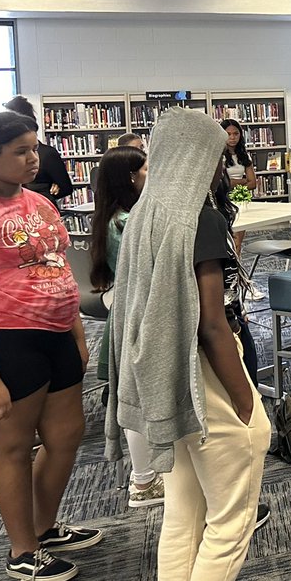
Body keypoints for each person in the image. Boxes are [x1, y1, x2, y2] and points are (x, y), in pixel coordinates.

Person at [106, 106, 271, 581]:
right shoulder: (200, 219)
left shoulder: (143, 214)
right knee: (230, 523)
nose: (224, 167)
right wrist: (246, 403)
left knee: (183, 515)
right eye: (217, 157)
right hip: (207, 381)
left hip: (164, 376)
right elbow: (213, 326)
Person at [0, 111, 100, 581]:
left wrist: (76, 331)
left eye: (35, 147)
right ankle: (21, 549)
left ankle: (45, 528)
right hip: (6, 343)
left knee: (67, 435)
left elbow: (59, 269)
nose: (35, 158)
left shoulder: (39, 203)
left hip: (54, 334)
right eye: (22, 151)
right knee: (11, 448)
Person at [88, 144, 164, 508]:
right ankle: (144, 481)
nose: (153, 175)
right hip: (140, 316)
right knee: (138, 398)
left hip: (126, 311)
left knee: (134, 395)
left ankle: (146, 477)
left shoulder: (112, 217)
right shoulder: (128, 223)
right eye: (148, 170)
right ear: (132, 177)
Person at [3, 95, 73, 207]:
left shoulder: (47, 154)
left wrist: (46, 195)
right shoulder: (4, 156)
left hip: (41, 212)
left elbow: (66, 187)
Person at [220, 119, 256, 257]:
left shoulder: (243, 155)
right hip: (224, 201)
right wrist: (242, 180)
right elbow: (222, 184)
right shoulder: (219, 155)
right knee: (226, 242)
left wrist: (233, 183)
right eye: (228, 134)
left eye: (236, 133)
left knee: (238, 242)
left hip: (240, 201)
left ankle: (238, 273)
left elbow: (253, 183)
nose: (232, 137)